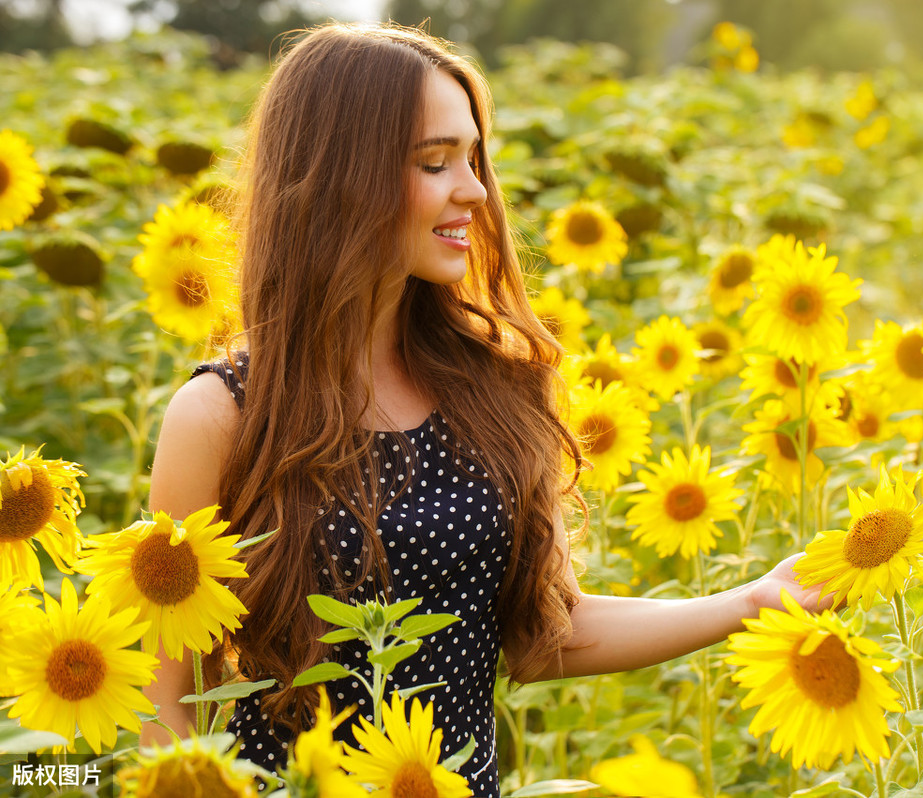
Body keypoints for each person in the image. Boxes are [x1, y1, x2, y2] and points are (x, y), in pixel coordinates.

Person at [143, 22, 828, 796]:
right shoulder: (221, 417)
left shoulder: (493, 388)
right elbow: (169, 697)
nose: (474, 189)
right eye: (435, 162)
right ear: (339, 178)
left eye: (473, 159)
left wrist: (752, 599)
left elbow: (548, 634)